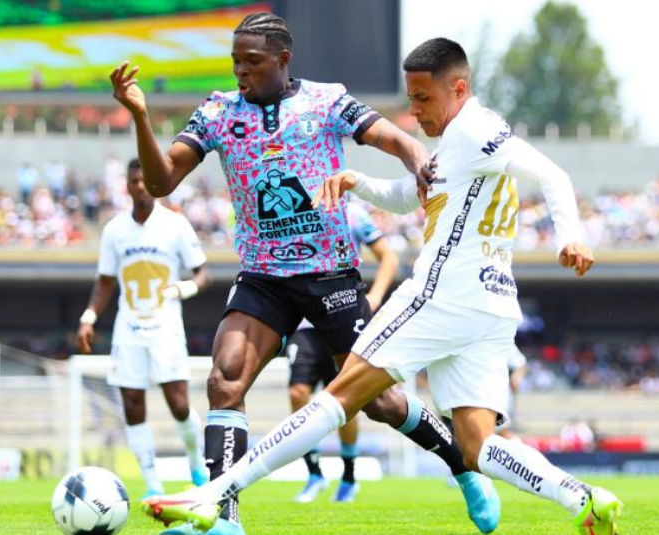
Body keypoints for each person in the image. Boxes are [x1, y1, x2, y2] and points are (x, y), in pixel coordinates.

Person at [143, 38, 624, 535]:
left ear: (459, 89)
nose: (414, 111)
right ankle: (581, 497)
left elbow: (550, 173)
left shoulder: (476, 131)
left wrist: (571, 234)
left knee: (338, 397)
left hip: (439, 296)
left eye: (423, 98)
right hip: (490, 308)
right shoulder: (458, 140)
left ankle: (212, 495)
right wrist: (356, 180)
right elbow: (408, 197)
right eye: (410, 99)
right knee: (476, 445)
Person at [113, 13, 499, 535]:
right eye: (235, 62)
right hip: (263, 277)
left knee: (380, 402)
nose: (241, 72)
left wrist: (416, 159)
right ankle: (222, 518)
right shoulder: (218, 112)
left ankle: (462, 465)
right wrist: (140, 116)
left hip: (330, 275)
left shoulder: (325, 100)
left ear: (283, 59)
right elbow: (161, 183)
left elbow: (390, 137)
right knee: (224, 380)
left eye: (252, 62)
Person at [76, 158, 212, 501]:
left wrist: (185, 288)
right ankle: (153, 484)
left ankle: (197, 466)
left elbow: (203, 274)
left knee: (178, 404)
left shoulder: (175, 225)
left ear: (155, 183)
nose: (140, 186)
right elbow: (105, 281)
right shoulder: (114, 230)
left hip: (166, 326)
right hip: (129, 327)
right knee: (133, 404)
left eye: (145, 180)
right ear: (126, 185)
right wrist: (89, 317)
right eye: (134, 181)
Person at [288, 203, 399, 503]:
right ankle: (314, 474)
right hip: (305, 325)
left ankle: (349, 476)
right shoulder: (295, 206)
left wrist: (375, 296)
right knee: (298, 392)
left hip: (342, 317)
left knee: (345, 398)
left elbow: (388, 257)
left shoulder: (354, 213)